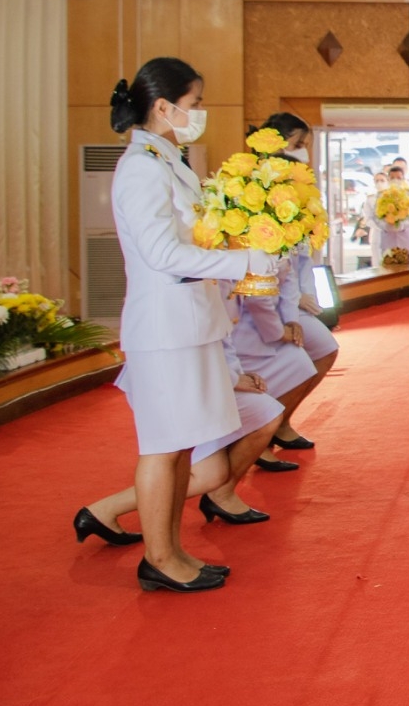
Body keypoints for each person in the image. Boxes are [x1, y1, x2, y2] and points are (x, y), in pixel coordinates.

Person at [71, 57, 278, 593]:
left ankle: (172, 550)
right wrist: (243, 262)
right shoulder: (141, 167)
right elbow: (163, 253)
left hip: (190, 325)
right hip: (164, 329)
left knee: (181, 446)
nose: (201, 113)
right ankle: (159, 559)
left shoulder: (169, 163)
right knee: (163, 446)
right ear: (163, 108)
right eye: (195, 103)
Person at [79, 356, 286, 537]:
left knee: (210, 475)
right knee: (265, 411)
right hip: (176, 378)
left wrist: (233, 375)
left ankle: (102, 512)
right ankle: (161, 554)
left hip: (195, 376)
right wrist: (231, 378)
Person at [239, 112, 341, 461]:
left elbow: (299, 255)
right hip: (259, 305)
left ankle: (278, 423)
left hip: (288, 298)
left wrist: (304, 295)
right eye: (299, 146)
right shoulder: (257, 187)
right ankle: (264, 430)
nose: (304, 154)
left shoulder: (296, 187)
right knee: (305, 358)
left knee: (324, 349)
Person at [372, 162, 409, 266]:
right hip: (388, 236)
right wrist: (386, 225)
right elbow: (376, 216)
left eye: (398, 177)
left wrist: (402, 225)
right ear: (388, 179)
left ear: (403, 178)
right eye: (392, 178)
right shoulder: (382, 195)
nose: (395, 180)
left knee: (406, 268)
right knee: (387, 267)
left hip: (405, 236)